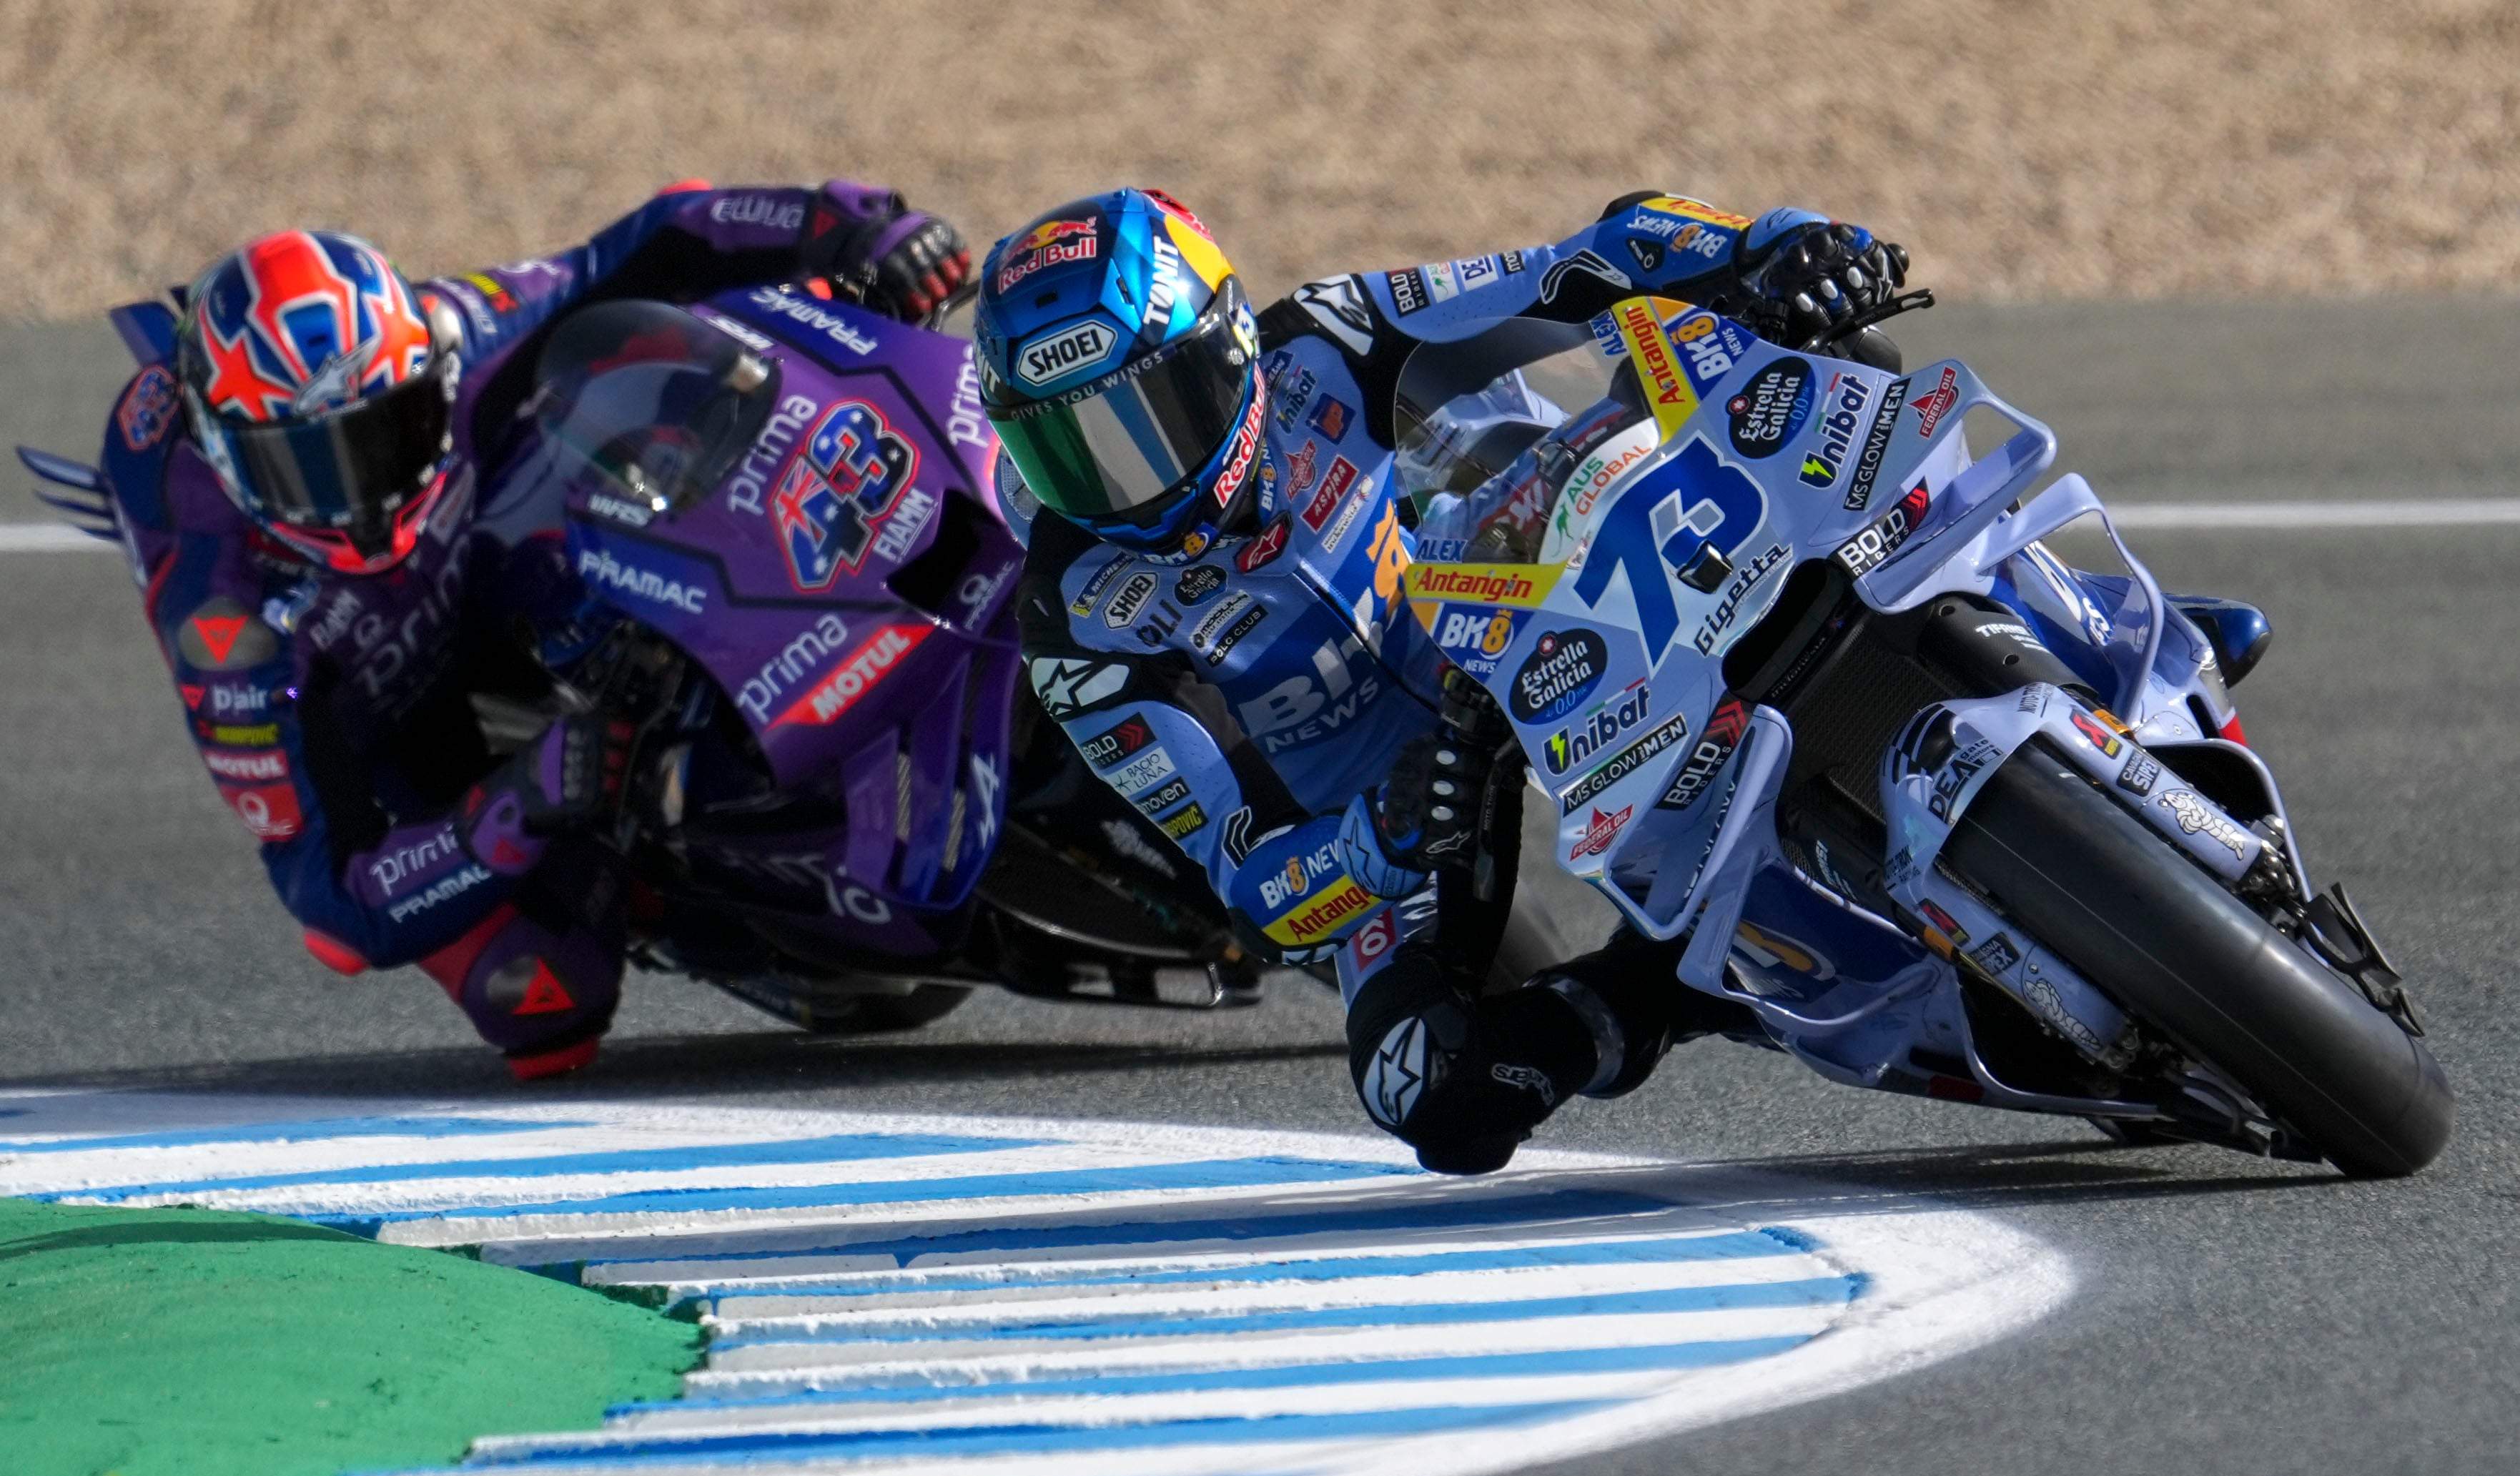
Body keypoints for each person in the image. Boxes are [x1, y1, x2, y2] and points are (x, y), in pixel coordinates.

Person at [972, 187, 1925, 1172]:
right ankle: (1677, 990)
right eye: (1068, 448)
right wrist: (1370, 842)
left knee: (1819, 346)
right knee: (1427, 1085)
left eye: (1144, 419)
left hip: (1544, 588)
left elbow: (1578, 264)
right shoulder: (1075, 619)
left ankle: (1966, 609)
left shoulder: (1332, 339)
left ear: (1227, 350)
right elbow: (1246, 882)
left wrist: (1770, 247)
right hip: (1412, 788)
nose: (1123, 476)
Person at [100, 182, 970, 1076]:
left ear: (428, 374)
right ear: (222, 449)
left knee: (661, 358)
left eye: (382, 433)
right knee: (546, 1000)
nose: (355, 495)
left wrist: (849, 226)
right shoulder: (225, 615)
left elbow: (659, 237)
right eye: (301, 465)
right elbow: (336, 904)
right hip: (387, 723)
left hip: (486, 555)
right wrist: (526, 796)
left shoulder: (462, 326)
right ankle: (660, 885)